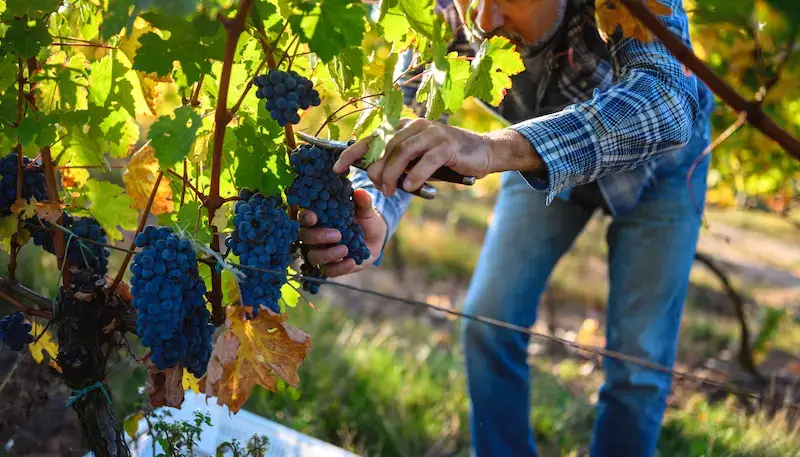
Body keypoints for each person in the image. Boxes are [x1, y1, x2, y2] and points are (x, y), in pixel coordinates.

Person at [297, 0, 715, 456]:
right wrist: (374, 210)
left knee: (638, 363)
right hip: (537, 160)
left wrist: (494, 149)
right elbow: (403, 126)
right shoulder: (442, 11)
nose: (483, 21)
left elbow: (668, 102)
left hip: (664, 171)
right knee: (488, 323)